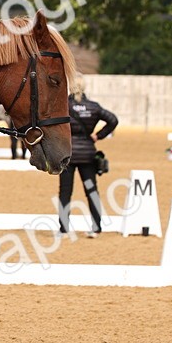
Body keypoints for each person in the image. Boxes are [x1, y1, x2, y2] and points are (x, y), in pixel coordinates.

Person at [57, 90, 118, 238]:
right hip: (88, 154)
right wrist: (98, 135)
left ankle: (64, 229)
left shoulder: (63, 105)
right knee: (91, 191)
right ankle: (96, 228)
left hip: (68, 154)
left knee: (65, 192)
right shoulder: (93, 107)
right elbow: (113, 120)